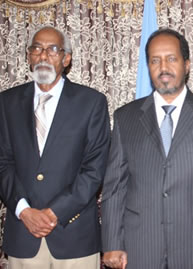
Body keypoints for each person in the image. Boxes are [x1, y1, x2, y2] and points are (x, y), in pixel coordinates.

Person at [101, 28, 193, 269]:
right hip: (139, 247)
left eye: (171, 58)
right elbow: (115, 187)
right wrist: (112, 241)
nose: (163, 67)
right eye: (155, 60)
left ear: (187, 64)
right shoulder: (126, 118)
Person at [0, 26, 110, 268]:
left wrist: (53, 213)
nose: (43, 55)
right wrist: (24, 211)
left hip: (74, 236)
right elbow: (2, 163)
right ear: (29, 57)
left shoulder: (91, 103)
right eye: (36, 48)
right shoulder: (6, 103)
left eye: (52, 49)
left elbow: (94, 169)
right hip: (23, 235)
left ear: (66, 58)